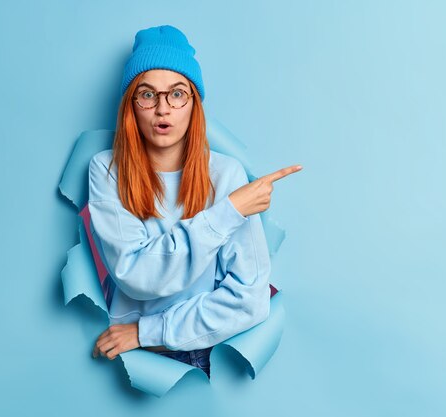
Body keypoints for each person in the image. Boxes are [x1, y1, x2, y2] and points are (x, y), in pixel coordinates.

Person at [88, 25, 301, 379]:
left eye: (177, 94)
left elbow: (249, 301)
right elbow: (138, 275)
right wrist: (228, 213)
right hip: (124, 361)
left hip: (200, 356)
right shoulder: (107, 169)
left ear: (193, 104)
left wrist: (145, 331)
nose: (162, 109)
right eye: (147, 94)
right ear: (131, 105)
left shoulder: (226, 175)